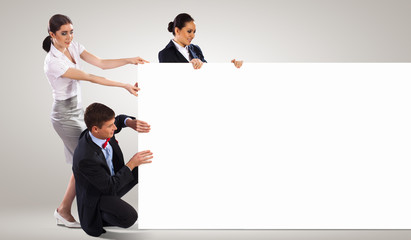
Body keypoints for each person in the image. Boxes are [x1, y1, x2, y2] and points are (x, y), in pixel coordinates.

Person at [42, 14, 149, 228]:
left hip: (76, 109)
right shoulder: (53, 62)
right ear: (52, 35)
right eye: (64, 33)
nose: (69, 37)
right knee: (85, 160)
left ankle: (64, 209)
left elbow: (100, 63)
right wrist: (124, 85)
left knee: (79, 165)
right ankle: (91, 207)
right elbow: (90, 77)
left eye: (71, 31)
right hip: (64, 116)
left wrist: (129, 59)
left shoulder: (73, 47)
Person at [72, 103, 153, 237]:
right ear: (96, 129)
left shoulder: (96, 132)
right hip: (98, 195)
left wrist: (130, 122)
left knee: (144, 167)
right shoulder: (85, 158)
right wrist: (131, 164)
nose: (115, 128)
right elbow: (110, 187)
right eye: (111, 126)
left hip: (110, 181)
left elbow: (120, 120)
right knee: (130, 217)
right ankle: (100, 216)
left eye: (113, 123)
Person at [158, 13, 243, 69]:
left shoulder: (196, 49)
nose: (193, 35)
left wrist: (232, 67)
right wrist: (189, 65)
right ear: (177, 31)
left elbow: (208, 71)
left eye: (194, 32)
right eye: (189, 31)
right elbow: (170, 78)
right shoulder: (164, 54)